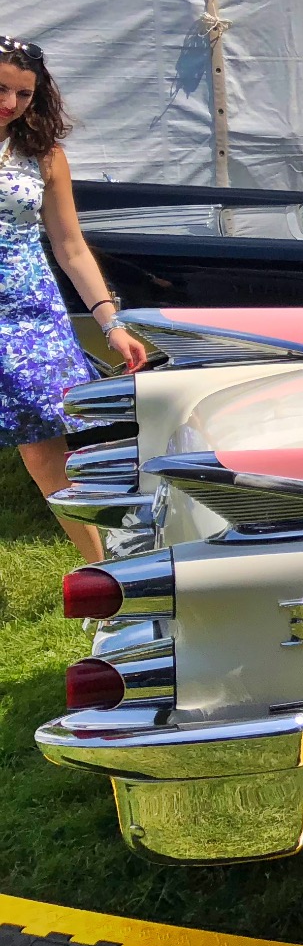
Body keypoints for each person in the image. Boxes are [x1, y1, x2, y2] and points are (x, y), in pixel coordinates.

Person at [0, 38, 148, 560]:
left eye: (24, 94)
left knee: (44, 447)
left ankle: (101, 572)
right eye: (1, 89)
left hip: (28, 316)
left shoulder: (43, 155)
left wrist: (111, 324)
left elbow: (70, 246)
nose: (11, 104)